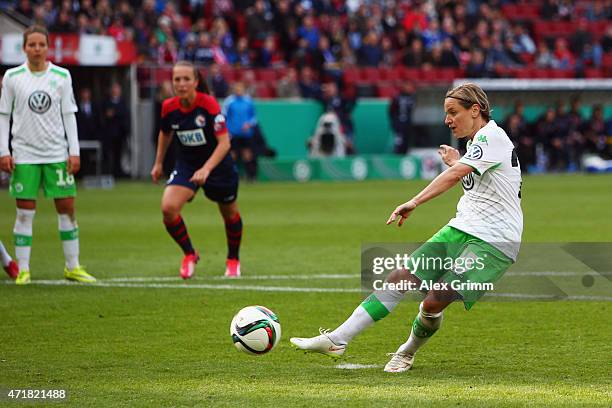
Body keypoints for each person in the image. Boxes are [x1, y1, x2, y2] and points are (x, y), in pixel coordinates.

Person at [291, 83, 523, 373]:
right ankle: (337, 339)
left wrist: (415, 200)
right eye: (445, 113)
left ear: (475, 110)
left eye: (453, 112)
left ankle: (406, 352)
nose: (447, 120)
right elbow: (473, 176)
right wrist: (457, 160)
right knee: (401, 276)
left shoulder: (493, 137)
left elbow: (455, 176)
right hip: (463, 228)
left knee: (434, 300)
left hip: (494, 241)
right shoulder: (478, 144)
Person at [0, 25, 95, 285]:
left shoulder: (62, 76)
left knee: (67, 208)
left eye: (41, 44)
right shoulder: (12, 76)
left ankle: (72, 266)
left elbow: (69, 115)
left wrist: (73, 151)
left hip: (56, 153)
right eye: (32, 45)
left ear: (48, 46)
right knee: (24, 213)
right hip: (25, 154)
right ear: (24, 48)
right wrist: (3, 151)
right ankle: (24, 269)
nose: (37, 49)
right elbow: (4, 116)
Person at [151, 61, 242, 279]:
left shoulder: (209, 105)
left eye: (186, 79)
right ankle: (189, 254)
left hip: (218, 165)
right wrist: (158, 163)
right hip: (187, 165)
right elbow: (165, 133)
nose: (181, 84)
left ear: (196, 81)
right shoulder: (169, 107)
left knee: (229, 214)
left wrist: (207, 169)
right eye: (177, 79)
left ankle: (233, 260)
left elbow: (224, 143)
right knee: (168, 208)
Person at [222, 82, 258, 181]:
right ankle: (231, 176)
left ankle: (251, 176)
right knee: (232, 155)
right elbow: (223, 117)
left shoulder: (248, 101)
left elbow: (254, 117)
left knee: (247, 154)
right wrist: (226, 131)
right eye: (237, 89)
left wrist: (249, 124)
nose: (238, 91)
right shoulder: (229, 102)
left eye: (240, 89)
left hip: (246, 133)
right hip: (232, 133)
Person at [389, 81, 416, 154]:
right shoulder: (397, 97)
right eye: (408, 86)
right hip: (399, 123)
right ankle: (397, 156)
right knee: (399, 141)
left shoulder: (412, 97)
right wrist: (394, 121)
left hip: (408, 123)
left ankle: (405, 154)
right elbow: (391, 110)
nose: (410, 88)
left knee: (407, 140)